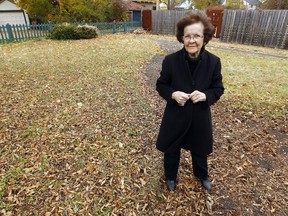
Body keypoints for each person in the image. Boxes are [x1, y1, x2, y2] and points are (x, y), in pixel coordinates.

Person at [156, 11, 224, 191]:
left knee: (200, 150)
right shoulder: (170, 61)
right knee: (171, 149)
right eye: (188, 36)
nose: (192, 41)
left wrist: (206, 96)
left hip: (199, 116)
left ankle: (201, 175)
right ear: (181, 37)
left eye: (196, 36)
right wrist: (172, 94)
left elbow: (218, 89)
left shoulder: (214, 62)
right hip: (175, 116)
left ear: (205, 37)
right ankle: (170, 177)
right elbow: (161, 85)